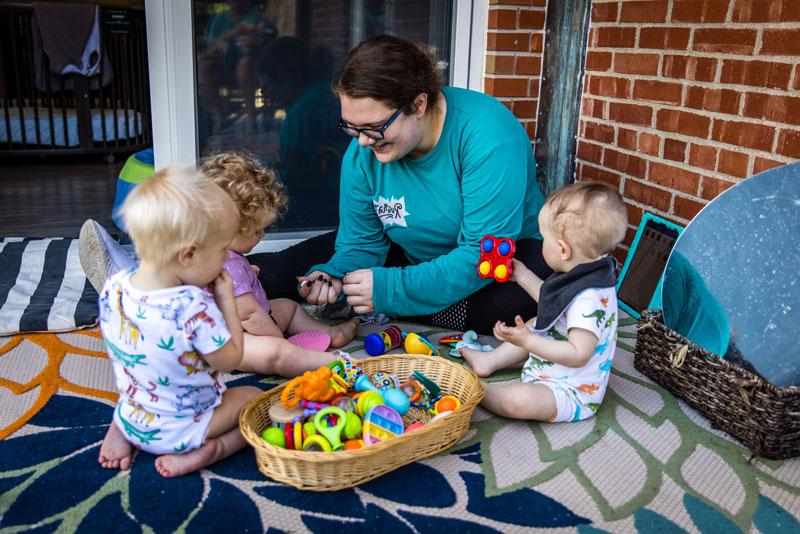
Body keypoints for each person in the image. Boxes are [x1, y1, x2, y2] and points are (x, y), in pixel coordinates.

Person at [249, 34, 551, 334]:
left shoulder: (488, 137)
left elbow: (482, 256)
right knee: (283, 270)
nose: (363, 142)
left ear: (418, 104)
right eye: (351, 128)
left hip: (504, 258)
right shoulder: (363, 151)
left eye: (374, 127)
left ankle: (393, 303)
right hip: (409, 252)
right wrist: (337, 275)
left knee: (508, 310)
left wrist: (389, 289)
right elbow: (360, 242)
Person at [96, 166, 261, 477]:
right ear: (188, 256)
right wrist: (226, 300)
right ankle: (209, 452)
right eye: (223, 250)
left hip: (136, 413)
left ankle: (121, 428)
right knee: (255, 400)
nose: (227, 259)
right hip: (184, 430)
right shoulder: (193, 307)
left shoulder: (115, 287)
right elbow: (230, 360)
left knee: (141, 375)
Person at [459, 182, 628, 423]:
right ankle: (488, 361)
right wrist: (522, 273)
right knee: (536, 322)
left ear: (562, 249)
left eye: (544, 239)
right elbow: (553, 300)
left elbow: (578, 354)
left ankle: (480, 392)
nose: (542, 245)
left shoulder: (589, 298)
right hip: (547, 363)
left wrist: (529, 341)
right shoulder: (586, 269)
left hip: (568, 391)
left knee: (518, 401)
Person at [200, 151, 359, 352]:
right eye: (257, 230)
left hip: (218, 334)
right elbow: (249, 315)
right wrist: (279, 341)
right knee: (275, 354)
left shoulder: (205, 253)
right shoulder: (230, 264)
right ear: (229, 229)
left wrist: (248, 272)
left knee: (288, 306)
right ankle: (320, 345)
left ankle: (327, 333)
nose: (263, 234)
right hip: (239, 341)